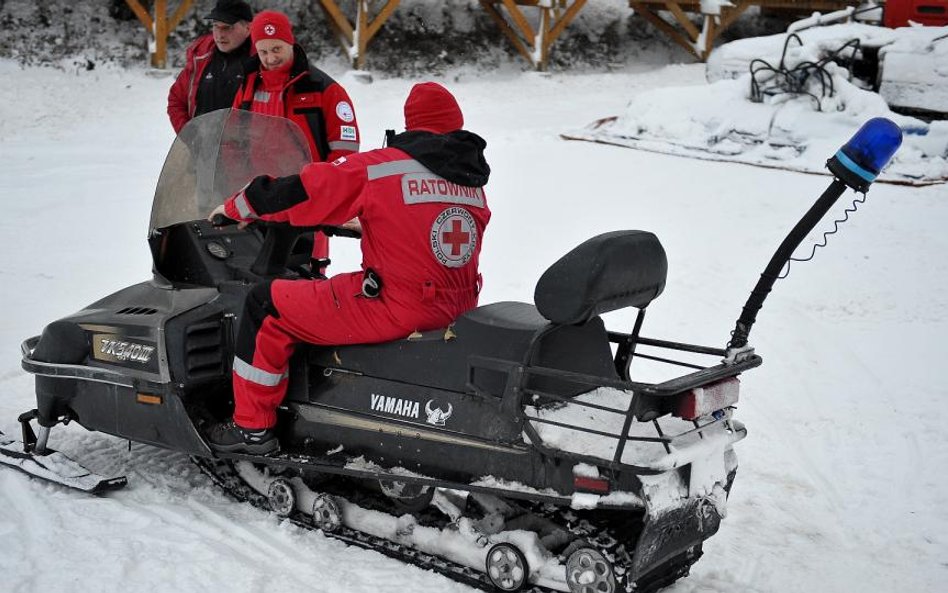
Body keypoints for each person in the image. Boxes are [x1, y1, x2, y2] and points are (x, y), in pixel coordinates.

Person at [206, 82, 491, 454]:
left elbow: (306, 189)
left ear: (411, 124)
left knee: (266, 304)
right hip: (457, 308)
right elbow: (423, 226)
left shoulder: (382, 168)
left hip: (396, 307)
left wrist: (239, 206)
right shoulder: (469, 181)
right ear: (456, 124)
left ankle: (251, 429)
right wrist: (367, 223)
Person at [235, 9, 362, 267]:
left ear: (290, 43)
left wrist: (325, 197)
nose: (270, 58)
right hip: (258, 200)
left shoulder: (325, 89)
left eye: (277, 49)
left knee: (304, 278)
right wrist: (234, 193)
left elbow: (345, 155)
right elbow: (234, 142)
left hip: (305, 202)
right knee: (249, 280)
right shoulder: (248, 87)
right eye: (263, 51)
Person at [167, 0, 255, 134]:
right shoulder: (201, 57)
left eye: (227, 27)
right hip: (204, 152)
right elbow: (177, 101)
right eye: (215, 26)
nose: (220, 34)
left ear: (248, 28)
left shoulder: (263, 61)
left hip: (245, 153)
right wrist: (189, 135)